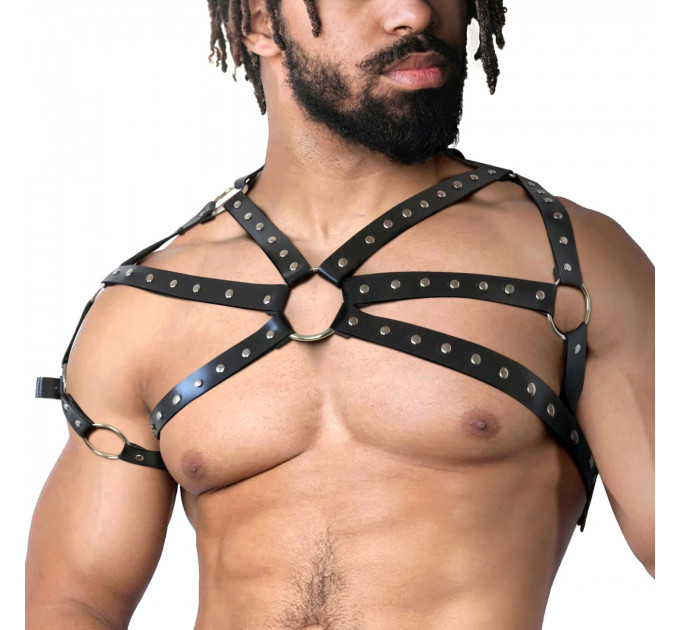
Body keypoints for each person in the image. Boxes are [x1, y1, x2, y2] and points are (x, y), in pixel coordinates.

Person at [25, 1, 655, 629]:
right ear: (259, 23)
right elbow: (77, 600)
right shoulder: (147, 306)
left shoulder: (569, 263)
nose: (415, 13)